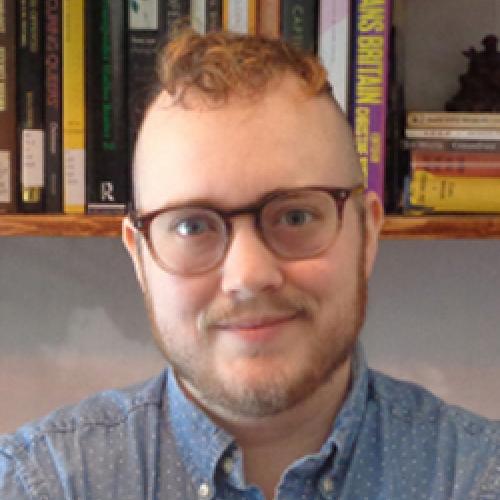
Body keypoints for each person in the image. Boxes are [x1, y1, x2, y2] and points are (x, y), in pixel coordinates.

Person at [1, 31, 498, 500]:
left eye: (296, 215)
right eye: (192, 226)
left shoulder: (478, 479)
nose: (248, 276)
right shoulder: (41, 483)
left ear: (367, 234)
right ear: (140, 258)